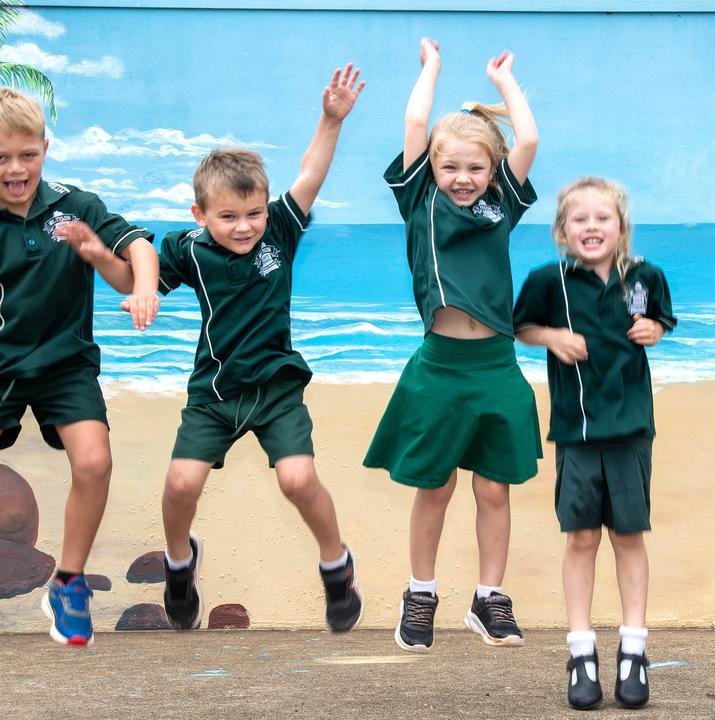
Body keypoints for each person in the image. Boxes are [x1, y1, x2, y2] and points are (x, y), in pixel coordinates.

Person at [0, 87, 160, 646]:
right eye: (0, 158)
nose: (16, 168)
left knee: (94, 461)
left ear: (45, 148)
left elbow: (135, 254)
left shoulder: (78, 205)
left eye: (28, 154)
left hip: (65, 365)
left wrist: (138, 284)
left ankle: (70, 584)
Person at [154, 65, 365, 633]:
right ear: (200, 215)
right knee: (180, 485)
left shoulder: (280, 233)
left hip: (275, 389)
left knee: (297, 481)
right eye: (229, 217)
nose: (245, 227)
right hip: (215, 393)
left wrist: (329, 118)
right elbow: (140, 261)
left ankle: (336, 565)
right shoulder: (190, 249)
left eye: (254, 213)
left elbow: (311, 174)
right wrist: (133, 286)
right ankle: (180, 564)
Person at [364, 38, 541, 653]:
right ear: (433, 170)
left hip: (496, 366)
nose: (462, 178)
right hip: (439, 366)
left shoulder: (502, 208)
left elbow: (528, 142)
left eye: (475, 168)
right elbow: (417, 121)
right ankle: (421, 595)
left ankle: (489, 599)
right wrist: (431, 67)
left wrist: (505, 85)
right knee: (434, 486)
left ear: (491, 173)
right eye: (451, 167)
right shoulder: (420, 201)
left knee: (494, 488)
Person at [514, 177, 675, 709]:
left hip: (631, 431)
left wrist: (653, 328)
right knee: (581, 538)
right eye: (579, 219)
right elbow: (521, 327)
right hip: (576, 433)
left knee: (629, 537)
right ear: (562, 230)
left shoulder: (645, 275)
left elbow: (661, 321)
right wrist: (551, 337)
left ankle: (634, 649)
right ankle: (581, 651)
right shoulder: (548, 281)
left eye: (602, 218)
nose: (591, 227)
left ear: (621, 227)